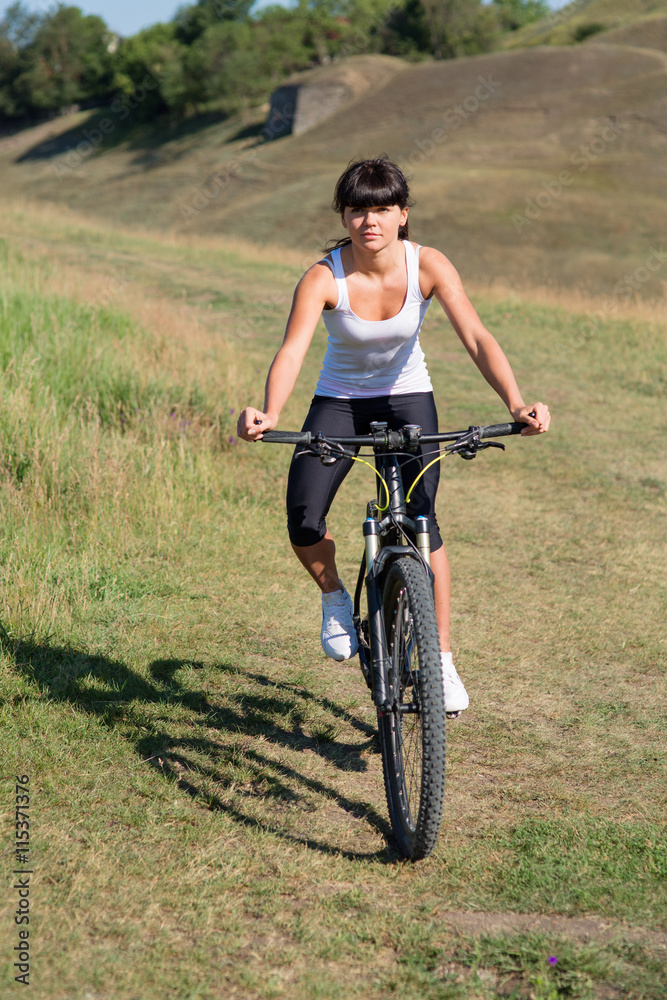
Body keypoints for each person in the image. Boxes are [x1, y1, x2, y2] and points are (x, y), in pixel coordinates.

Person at [237, 157, 550, 714]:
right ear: (345, 216)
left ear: (403, 215)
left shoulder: (427, 265)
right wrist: (267, 411)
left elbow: (476, 336)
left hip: (408, 399)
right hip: (340, 403)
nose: (370, 221)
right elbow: (293, 350)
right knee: (303, 516)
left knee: (423, 523)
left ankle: (443, 661)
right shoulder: (324, 276)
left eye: (382, 208)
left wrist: (515, 402)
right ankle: (336, 596)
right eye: (358, 210)